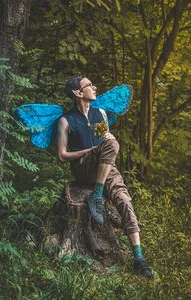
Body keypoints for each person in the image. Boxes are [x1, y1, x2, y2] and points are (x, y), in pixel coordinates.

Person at [57, 75, 153, 278]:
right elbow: (62, 155)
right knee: (112, 144)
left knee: (124, 200)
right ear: (78, 93)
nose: (94, 87)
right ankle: (97, 194)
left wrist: (107, 139)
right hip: (83, 168)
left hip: (105, 168)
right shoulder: (66, 120)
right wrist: (89, 150)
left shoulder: (100, 113)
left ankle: (139, 258)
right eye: (89, 85)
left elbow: (104, 141)